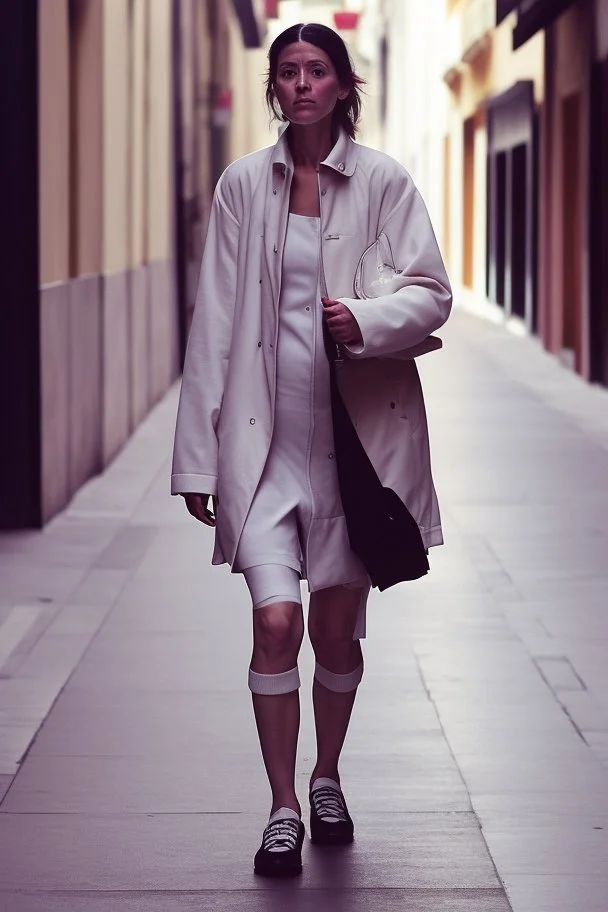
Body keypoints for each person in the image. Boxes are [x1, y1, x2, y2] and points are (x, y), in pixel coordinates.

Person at [171, 22, 452, 878]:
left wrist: (361, 319)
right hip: (263, 455)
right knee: (273, 622)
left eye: (316, 71)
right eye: (287, 72)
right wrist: (195, 457)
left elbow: (432, 293)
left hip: (352, 460)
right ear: (274, 87)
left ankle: (327, 775)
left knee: (332, 634)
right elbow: (214, 319)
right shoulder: (240, 188)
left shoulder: (385, 183)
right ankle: (283, 805)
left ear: (341, 86)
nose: (300, 84)